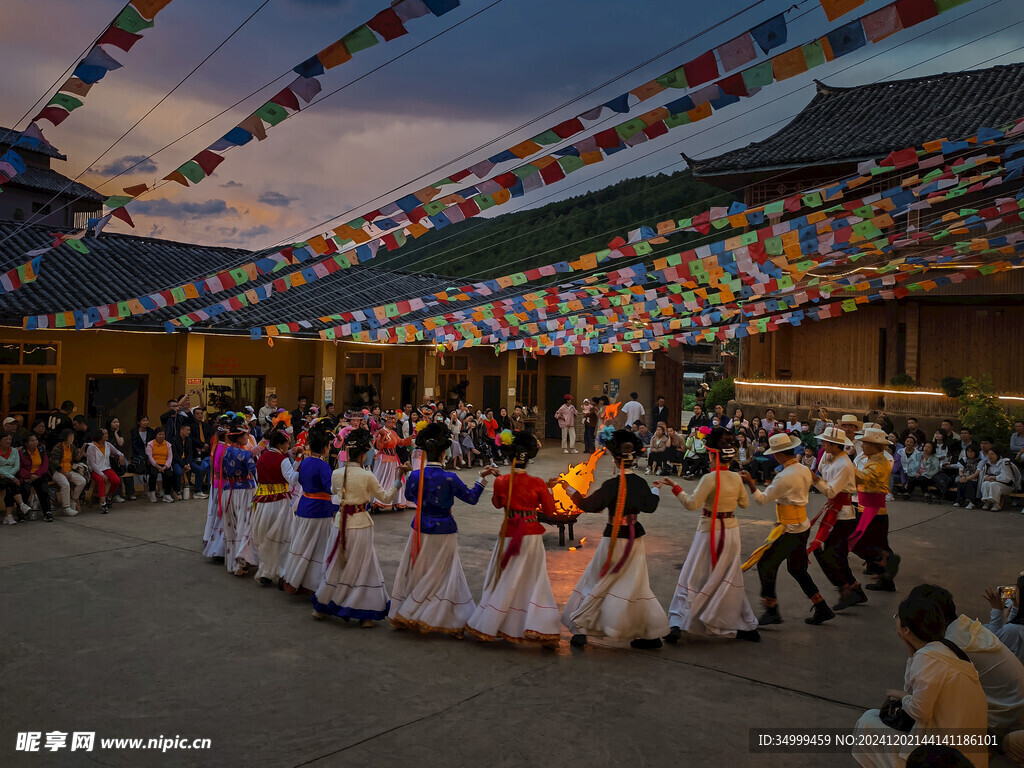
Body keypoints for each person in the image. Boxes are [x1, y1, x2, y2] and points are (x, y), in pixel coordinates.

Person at [558, 429, 670, 650]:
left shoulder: (611, 485)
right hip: (635, 540)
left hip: (613, 539)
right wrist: (656, 490)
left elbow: (589, 505)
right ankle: (647, 633)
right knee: (635, 586)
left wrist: (568, 487)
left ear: (615, 459)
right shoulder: (640, 483)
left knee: (595, 579)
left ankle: (581, 628)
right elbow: (650, 507)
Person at [852, 594, 988, 768]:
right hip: (965, 750)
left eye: (897, 618)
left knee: (867, 722)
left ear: (906, 630)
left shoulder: (926, 657)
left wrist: (902, 697)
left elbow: (919, 710)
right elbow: (915, 690)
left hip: (944, 754)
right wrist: (912, 651)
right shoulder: (946, 648)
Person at [390, 422, 493, 636]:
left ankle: (414, 610)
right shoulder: (450, 477)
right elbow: (472, 498)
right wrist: (481, 478)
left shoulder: (417, 475)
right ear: (445, 454)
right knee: (445, 573)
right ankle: (445, 617)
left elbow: (409, 497)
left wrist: (409, 476)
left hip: (420, 528)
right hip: (444, 529)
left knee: (421, 569)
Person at [658, 427, 759, 642]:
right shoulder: (735, 478)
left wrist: (675, 487)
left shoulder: (709, 479)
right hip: (731, 531)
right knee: (730, 576)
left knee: (693, 574)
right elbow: (744, 503)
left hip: (709, 531)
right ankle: (745, 624)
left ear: (713, 455)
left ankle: (678, 622)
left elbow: (692, 504)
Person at [466, 430, 559, 647]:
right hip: (531, 534)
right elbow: (550, 511)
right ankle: (537, 623)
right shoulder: (537, 483)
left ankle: (497, 620)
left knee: (505, 576)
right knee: (534, 579)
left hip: (509, 533)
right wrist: (550, 490)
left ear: (510, 458)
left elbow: (498, 504)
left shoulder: (501, 481)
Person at [312, 428, 408, 624]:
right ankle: (364, 613)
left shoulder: (337, 473)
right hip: (361, 524)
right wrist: (398, 480)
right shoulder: (367, 475)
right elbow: (387, 497)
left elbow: (332, 491)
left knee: (337, 565)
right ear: (364, 455)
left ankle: (323, 605)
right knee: (363, 567)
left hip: (340, 523)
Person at [740, 432, 835, 627]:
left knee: (765, 564)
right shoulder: (803, 469)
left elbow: (762, 499)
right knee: (797, 569)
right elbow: (818, 481)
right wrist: (830, 494)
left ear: (777, 454)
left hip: (789, 530)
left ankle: (772, 609)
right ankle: (821, 606)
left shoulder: (783, 477)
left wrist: (750, 482)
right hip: (802, 527)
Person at [915, 584, 1024, 737]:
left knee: (931, 713)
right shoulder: (965, 625)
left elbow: (921, 702)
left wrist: (911, 643)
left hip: (1001, 720)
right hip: (1015, 708)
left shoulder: (950, 646)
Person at [810, 426, 867, 612]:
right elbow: (822, 469)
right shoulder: (830, 457)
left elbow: (832, 490)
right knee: (837, 555)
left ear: (835, 445)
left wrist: (815, 480)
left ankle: (847, 590)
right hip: (835, 511)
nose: (823, 444)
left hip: (843, 514)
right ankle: (854, 588)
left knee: (831, 554)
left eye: (826, 442)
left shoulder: (844, 464)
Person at [279, 424, 338, 594]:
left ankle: (295, 578)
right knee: (319, 548)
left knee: (302, 545)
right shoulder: (324, 466)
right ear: (326, 448)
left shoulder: (305, 462)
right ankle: (313, 583)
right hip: (320, 511)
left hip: (304, 506)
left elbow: (301, 481)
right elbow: (330, 489)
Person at [243, 429, 295, 586]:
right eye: (287, 443)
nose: (288, 446)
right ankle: (282, 573)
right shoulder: (283, 460)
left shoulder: (262, 457)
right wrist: (300, 464)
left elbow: (258, 478)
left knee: (266, 538)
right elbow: (292, 479)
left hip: (263, 505)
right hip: (280, 504)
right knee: (283, 538)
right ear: (280, 444)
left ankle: (265, 572)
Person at [853, 428, 901, 593]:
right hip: (870, 508)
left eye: (866, 443)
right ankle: (885, 577)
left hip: (873, 510)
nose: (863, 446)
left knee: (868, 544)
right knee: (874, 543)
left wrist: (846, 469)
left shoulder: (878, 463)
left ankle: (888, 564)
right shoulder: (875, 459)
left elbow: (862, 478)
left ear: (875, 446)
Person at [221, 425, 257, 577]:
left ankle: (232, 563)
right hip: (244, 492)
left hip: (228, 491)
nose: (247, 437)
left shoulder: (226, 451)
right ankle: (240, 562)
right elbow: (255, 472)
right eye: (245, 435)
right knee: (244, 526)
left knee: (232, 527)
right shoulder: (245, 454)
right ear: (240, 437)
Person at [371, 410, 413, 509]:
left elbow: (400, 442)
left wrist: (410, 438)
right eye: (389, 422)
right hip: (383, 460)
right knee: (382, 479)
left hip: (394, 459)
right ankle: (378, 501)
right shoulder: (381, 432)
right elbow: (379, 446)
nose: (391, 424)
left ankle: (396, 501)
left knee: (394, 479)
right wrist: (382, 437)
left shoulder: (393, 433)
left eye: (393, 422)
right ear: (385, 422)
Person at [984, 574, 1024, 663]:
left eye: (1017, 591)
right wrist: (1015, 607)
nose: (1012, 592)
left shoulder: (1013, 630)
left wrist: (996, 609)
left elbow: (992, 642)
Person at [86, 429, 124, 514]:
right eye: (105, 434)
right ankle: (103, 503)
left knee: (116, 480)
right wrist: (101, 474)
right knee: (101, 480)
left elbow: (117, 452)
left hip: (106, 468)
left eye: (107, 433)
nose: (107, 435)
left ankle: (109, 496)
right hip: (95, 470)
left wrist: (121, 456)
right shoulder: (91, 447)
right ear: (99, 436)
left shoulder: (108, 445)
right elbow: (92, 464)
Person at [17, 433, 52, 522]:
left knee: (44, 489)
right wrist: (29, 475)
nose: (35, 442)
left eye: (36, 440)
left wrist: (36, 475)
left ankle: (47, 512)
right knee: (25, 489)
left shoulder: (41, 450)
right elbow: (19, 467)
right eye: (32, 441)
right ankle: (21, 514)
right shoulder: (21, 453)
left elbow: (45, 465)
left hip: (39, 475)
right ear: (26, 443)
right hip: (26, 476)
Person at [0, 433, 32, 524]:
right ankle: (21, 505)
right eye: (5, 439)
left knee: (10, 486)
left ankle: (9, 516)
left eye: (9, 439)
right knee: (11, 484)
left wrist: (10, 476)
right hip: (1, 476)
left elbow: (17, 466)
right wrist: (11, 477)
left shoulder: (14, 451)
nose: (8, 441)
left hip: (10, 477)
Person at [145, 427, 175, 503]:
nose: (161, 436)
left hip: (164, 464)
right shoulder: (150, 444)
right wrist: (157, 466)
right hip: (154, 463)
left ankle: (166, 494)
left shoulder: (168, 445)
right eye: (159, 434)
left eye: (163, 434)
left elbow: (170, 457)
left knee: (169, 475)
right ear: (156, 435)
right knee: (153, 474)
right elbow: (150, 457)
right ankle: (152, 493)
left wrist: (165, 466)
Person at [954, 445, 982, 509]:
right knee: (959, 483)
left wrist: (967, 479)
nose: (970, 453)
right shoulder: (963, 460)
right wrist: (962, 476)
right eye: (968, 451)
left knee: (970, 483)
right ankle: (959, 501)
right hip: (964, 477)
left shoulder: (980, 461)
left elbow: (976, 473)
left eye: (972, 452)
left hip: (974, 479)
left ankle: (972, 502)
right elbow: (961, 470)